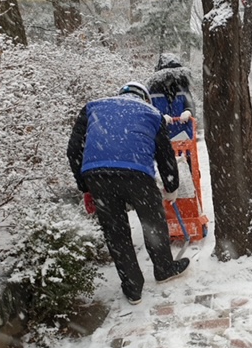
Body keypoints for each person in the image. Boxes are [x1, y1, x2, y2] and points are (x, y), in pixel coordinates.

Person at [67, 81, 190, 305]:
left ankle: (133, 288)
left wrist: (85, 185)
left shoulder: (92, 107)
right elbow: (165, 156)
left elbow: (73, 149)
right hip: (138, 174)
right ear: (144, 98)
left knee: (116, 233)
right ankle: (164, 268)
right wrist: (171, 187)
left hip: (98, 175)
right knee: (153, 222)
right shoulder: (152, 113)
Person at [146, 53, 197, 140]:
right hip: (162, 140)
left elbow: (190, 104)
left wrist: (188, 112)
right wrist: (160, 118)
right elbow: (148, 112)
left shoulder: (183, 89)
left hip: (184, 139)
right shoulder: (152, 92)